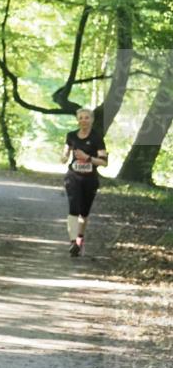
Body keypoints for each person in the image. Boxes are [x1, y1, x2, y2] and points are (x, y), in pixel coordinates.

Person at [61, 107, 107, 256]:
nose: (83, 120)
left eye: (86, 117)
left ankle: (80, 239)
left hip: (90, 179)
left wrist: (87, 158)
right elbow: (65, 151)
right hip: (73, 177)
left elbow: (104, 162)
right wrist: (64, 157)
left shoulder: (97, 138)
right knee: (73, 208)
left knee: (84, 213)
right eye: (80, 118)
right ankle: (73, 242)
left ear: (92, 120)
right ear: (77, 120)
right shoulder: (71, 136)